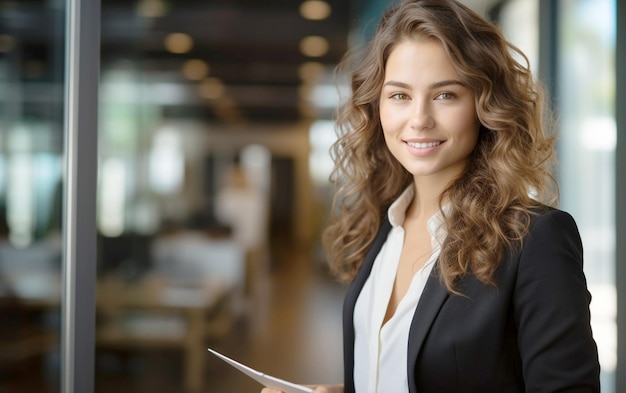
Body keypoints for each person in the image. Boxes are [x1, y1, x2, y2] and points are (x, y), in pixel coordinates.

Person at [263, 0, 600, 392]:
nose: (419, 119)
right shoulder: (380, 227)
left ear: (484, 104)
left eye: (445, 95)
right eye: (400, 96)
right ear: (378, 107)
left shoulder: (534, 239)